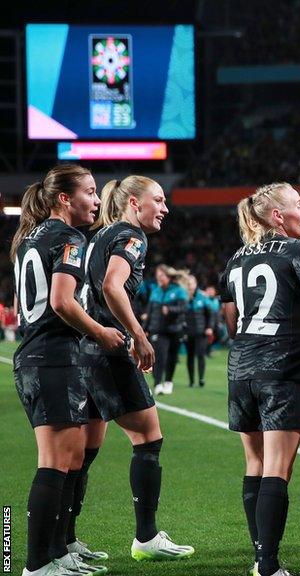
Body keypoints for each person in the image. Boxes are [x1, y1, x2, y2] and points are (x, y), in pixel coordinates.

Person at [219, 182, 300, 576]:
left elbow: (230, 316)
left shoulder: (237, 256)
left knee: (255, 465)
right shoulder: (298, 248)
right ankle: (268, 565)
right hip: (282, 370)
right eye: (298, 205)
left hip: (240, 368)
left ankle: (259, 557)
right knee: (278, 469)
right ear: (277, 216)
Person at [11, 165, 125, 576]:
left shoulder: (31, 238)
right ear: (65, 198)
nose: (97, 201)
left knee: (71, 458)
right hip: (51, 357)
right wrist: (101, 332)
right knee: (55, 462)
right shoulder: (68, 237)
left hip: (46, 356)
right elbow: (61, 302)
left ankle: (58, 551)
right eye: (91, 192)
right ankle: (37, 564)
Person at [78, 175, 194, 562]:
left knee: (84, 451)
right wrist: (139, 335)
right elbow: (112, 286)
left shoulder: (98, 235)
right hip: (109, 350)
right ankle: (146, 537)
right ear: (132, 202)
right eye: (158, 200)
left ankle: (64, 539)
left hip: (84, 350)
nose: (165, 208)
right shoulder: (132, 236)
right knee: (148, 437)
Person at [144, 264, 188, 395]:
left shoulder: (179, 290)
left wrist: (170, 310)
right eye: (158, 276)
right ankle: (157, 383)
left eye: (161, 276)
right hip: (158, 330)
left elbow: (184, 309)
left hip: (175, 329)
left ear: (168, 277)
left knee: (172, 357)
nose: (159, 278)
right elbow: (149, 311)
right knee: (159, 356)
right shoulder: (155, 291)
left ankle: (168, 382)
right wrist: (144, 328)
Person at [182, 274, 216, 388]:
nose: (190, 286)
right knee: (190, 356)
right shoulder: (183, 297)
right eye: (188, 283)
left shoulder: (202, 297)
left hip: (201, 332)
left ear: (195, 284)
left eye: (191, 283)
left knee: (200, 355)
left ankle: (201, 379)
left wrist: (209, 327)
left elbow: (210, 314)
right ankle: (191, 381)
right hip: (187, 332)